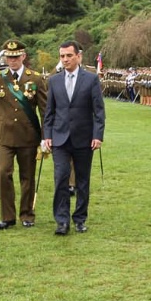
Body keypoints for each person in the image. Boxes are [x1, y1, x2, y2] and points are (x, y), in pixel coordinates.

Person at [0, 39, 48, 229]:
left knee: (27, 177)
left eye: (16, 57)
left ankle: (26, 214)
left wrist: (46, 137)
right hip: (3, 136)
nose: (12, 60)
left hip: (27, 135)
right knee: (2, 173)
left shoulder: (36, 78)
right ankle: (7, 216)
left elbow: (45, 110)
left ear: (23, 56)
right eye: (8, 57)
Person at [42, 40, 106, 235]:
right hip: (60, 138)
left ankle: (80, 218)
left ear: (78, 56)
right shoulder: (54, 81)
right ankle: (62, 221)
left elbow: (98, 111)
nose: (65, 59)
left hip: (84, 138)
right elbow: (49, 112)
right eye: (62, 56)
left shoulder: (91, 79)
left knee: (82, 181)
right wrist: (47, 136)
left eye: (69, 55)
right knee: (61, 178)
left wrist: (97, 135)